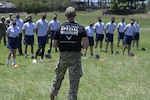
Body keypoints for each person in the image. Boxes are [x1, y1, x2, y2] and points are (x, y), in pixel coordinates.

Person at [49, 6, 89, 100]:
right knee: (74, 79)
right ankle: (72, 97)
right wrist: (80, 46)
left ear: (65, 15)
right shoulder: (81, 28)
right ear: (75, 15)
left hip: (63, 56)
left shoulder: (60, 27)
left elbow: (54, 44)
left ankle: (53, 93)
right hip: (75, 56)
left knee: (58, 76)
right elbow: (86, 44)